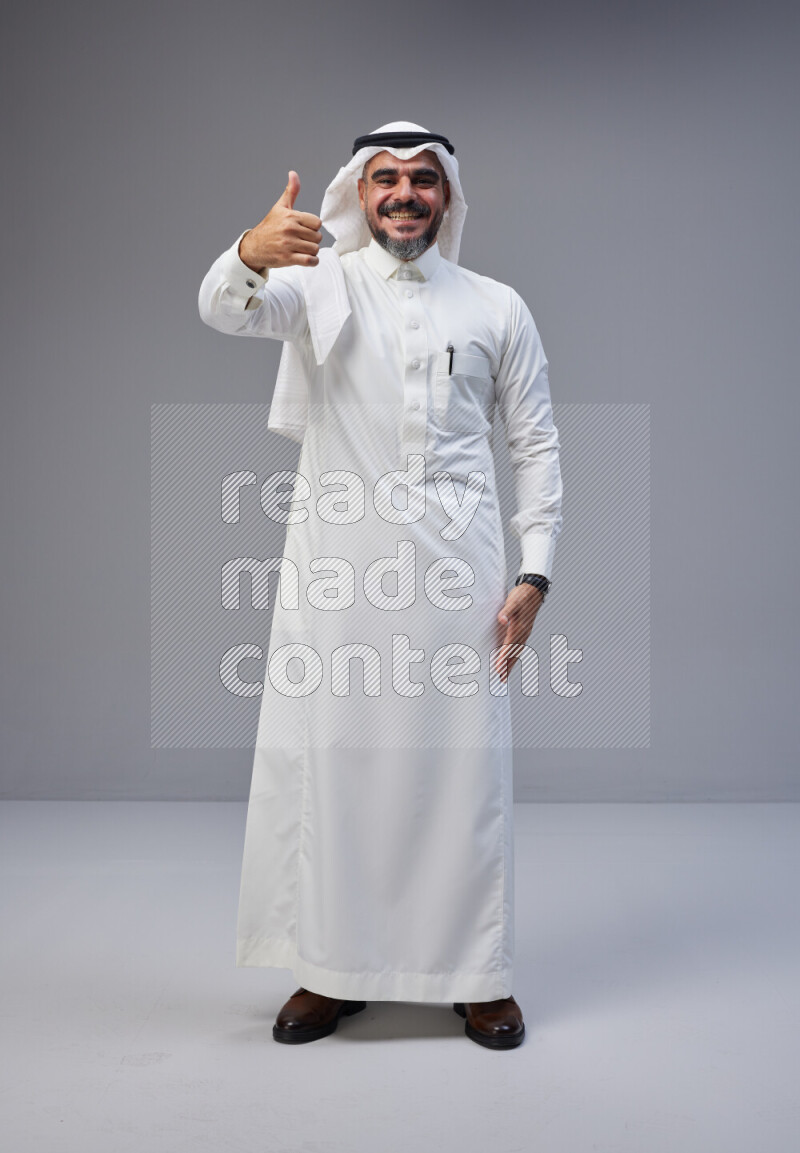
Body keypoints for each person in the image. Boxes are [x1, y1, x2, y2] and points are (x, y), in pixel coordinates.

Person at [198, 122, 563, 1050]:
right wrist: (247, 249)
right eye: (386, 180)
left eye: (423, 181)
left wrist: (536, 570)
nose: (405, 195)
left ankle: (477, 975)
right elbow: (223, 311)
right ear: (359, 195)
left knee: (461, 774)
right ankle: (330, 971)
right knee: (340, 764)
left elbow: (535, 444)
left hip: (461, 575)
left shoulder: (496, 305)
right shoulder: (319, 286)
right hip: (341, 571)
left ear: (448, 198)